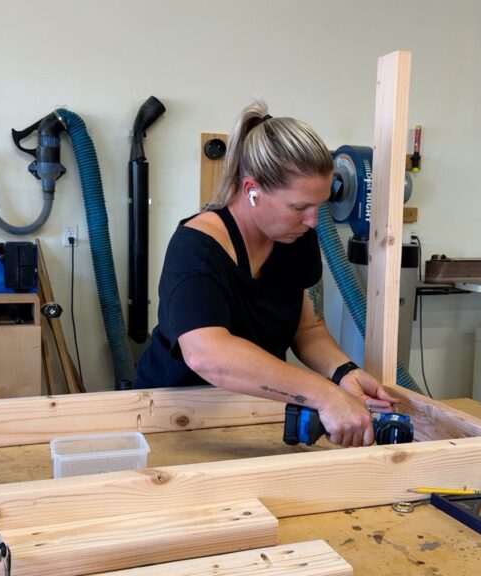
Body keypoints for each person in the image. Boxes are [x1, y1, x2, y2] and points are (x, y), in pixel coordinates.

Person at [134, 101, 395, 447]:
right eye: (299, 207)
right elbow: (207, 354)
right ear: (251, 190)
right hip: (171, 418)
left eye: (319, 206)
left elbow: (308, 329)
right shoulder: (196, 248)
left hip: (254, 413)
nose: (313, 220)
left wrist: (344, 373)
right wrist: (324, 394)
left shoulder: (298, 237)